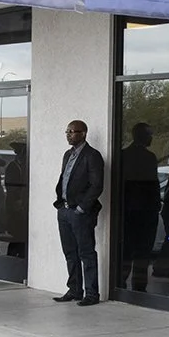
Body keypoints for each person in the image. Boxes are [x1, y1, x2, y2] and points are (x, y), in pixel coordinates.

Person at [52, 119, 105, 306]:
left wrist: (82, 207)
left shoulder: (92, 155)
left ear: (83, 133)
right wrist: (60, 205)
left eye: (72, 132)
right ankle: (74, 289)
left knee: (86, 252)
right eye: (67, 132)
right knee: (70, 252)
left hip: (80, 212)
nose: (68, 135)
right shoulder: (68, 155)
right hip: (64, 210)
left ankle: (91, 293)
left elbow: (97, 185)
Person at [118, 122, 160, 291]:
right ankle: (139, 286)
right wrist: (156, 205)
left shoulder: (123, 155)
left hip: (128, 210)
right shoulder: (148, 157)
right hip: (144, 211)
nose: (151, 138)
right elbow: (153, 185)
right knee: (142, 250)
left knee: (127, 250)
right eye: (149, 135)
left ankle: (121, 283)